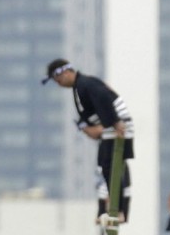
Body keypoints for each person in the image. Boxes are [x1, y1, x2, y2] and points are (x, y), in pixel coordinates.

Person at [42, 59, 134, 222]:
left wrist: (114, 122)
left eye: (58, 80)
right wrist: (85, 126)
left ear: (65, 73)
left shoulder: (86, 84)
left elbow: (104, 98)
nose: (59, 84)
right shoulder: (80, 87)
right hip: (111, 127)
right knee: (105, 166)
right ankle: (114, 209)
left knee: (112, 167)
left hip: (117, 126)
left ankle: (118, 210)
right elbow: (88, 113)